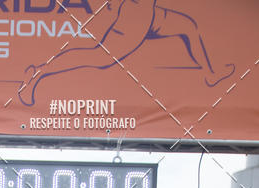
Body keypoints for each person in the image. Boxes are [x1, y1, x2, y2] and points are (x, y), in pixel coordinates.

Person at [18, 0, 235, 107]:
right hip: (137, 15)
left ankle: (211, 74)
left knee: (188, 27)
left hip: (149, 12)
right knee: (98, 57)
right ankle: (38, 73)